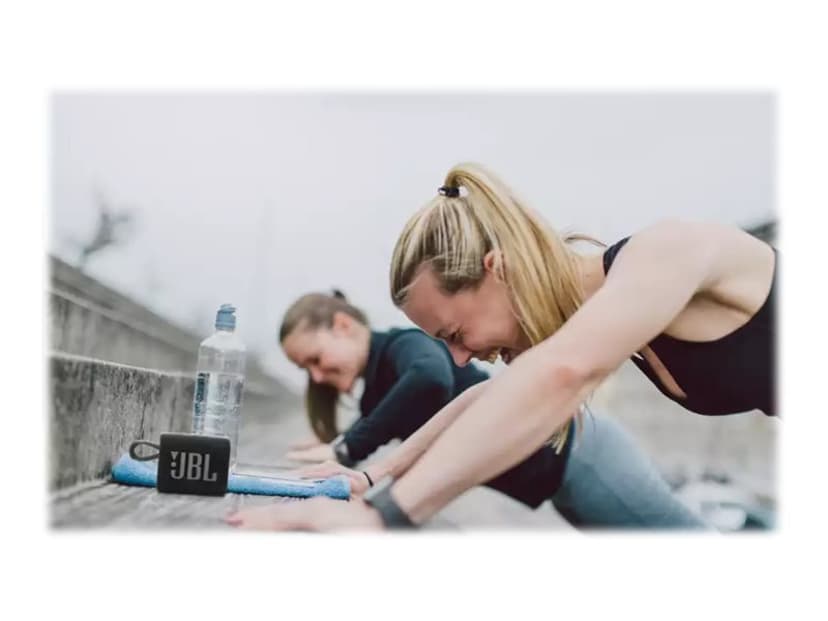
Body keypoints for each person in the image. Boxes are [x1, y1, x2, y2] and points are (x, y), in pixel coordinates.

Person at [229, 289, 709, 529]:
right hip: (562, 481)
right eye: (305, 369)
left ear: (344, 326)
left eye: (315, 359)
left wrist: (349, 448)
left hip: (585, 459)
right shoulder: (380, 388)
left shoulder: (403, 347)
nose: (316, 376)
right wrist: (346, 456)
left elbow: (431, 379)